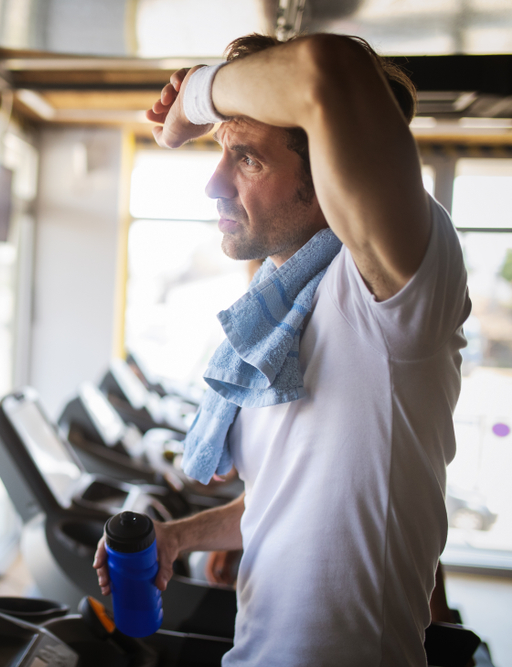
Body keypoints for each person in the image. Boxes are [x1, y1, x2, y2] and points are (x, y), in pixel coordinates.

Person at [93, 32, 472, 666]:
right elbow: (285, 498)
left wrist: (195, 94)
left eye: (247, 159)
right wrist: (179, 537)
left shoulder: (392, 288)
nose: (214, 185)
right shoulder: (286, 313)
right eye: (224, 153)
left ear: (330, 171)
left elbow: (333, 71)